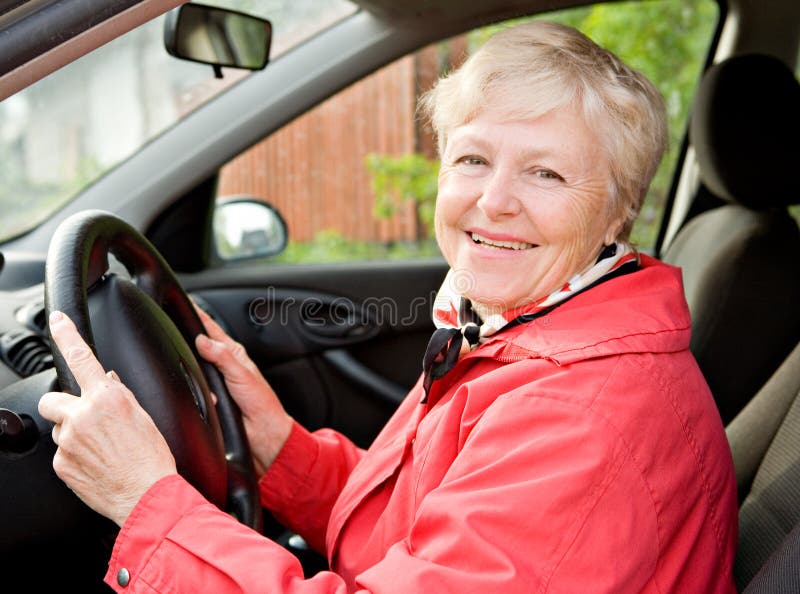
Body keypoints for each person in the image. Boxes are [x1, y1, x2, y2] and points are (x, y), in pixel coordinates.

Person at [38, 20, 738, 593]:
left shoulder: (579, 417)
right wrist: (280, 450)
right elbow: (421, 530)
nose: (492, 201)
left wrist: (147, 502)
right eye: (471, 160)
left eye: (545, 172)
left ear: (616, 213)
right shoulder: (525, 329)